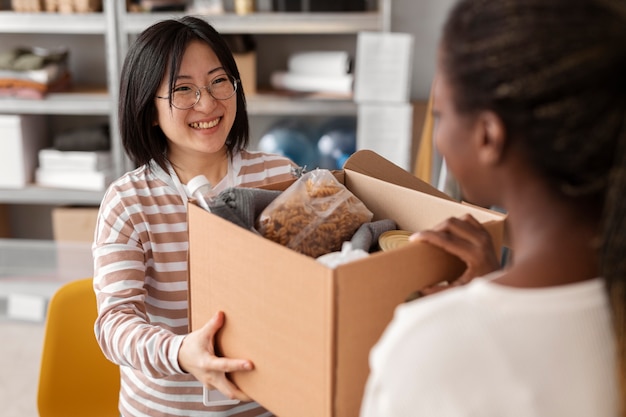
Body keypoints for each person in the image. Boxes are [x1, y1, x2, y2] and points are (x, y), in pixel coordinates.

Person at [360, 0, 625, 415]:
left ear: (487, 136)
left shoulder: (427, 347)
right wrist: (494, 285)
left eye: (443, 114)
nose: (440, 137)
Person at [92, 16, 298, 417]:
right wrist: (181, 351)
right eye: (182, 90)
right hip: (165, 409)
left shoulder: (279, 176)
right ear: (148, 110)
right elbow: (114, 324)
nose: (207, 103)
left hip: (267, 404)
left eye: (219, 81)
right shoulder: (128, 202)